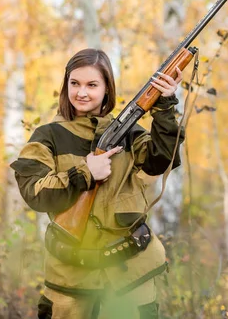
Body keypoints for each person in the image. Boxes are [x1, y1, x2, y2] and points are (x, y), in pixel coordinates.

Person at [10, 48, 184, 318]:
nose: (82, 92)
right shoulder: (47, 136)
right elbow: (35, 193)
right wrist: (85, 172)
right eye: (75, 83)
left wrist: (165, 105)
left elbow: (161, 160)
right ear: (65, 85)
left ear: (106, 89)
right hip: (71, 276)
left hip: (130, 271)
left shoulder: (129, 133)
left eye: (92, 85)